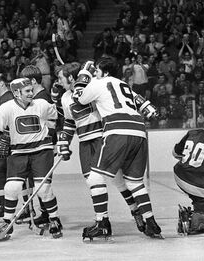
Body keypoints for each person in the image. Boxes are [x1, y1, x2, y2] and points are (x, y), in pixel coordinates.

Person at [53, 61, 154, 234]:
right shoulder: (64, 98)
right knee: (93, 182)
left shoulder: (94, 85)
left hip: (103, 136)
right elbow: (70, 123)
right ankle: (103, 220)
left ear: (71, 77)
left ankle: (133, 211)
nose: (58, 81)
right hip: (85, 142)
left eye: (61, 78)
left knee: (119, 181)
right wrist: (64, 143)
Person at [74, 57, 162, 239]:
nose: (95, 74)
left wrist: (84, 75)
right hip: (139, 131)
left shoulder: (99, 83)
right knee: (135, 183)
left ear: (104, 72)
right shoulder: (123, 85)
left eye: (97, 71)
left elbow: (79, 99)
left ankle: (102, 223)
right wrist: (148, 108)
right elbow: (145, 106)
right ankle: (151, 222)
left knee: (95, 178)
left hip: (117, 130)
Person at [0, 77, 62, 239]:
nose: (31, 93)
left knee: (43, 189)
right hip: (18, 153)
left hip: (41, 152)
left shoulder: (41, 105)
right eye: (27, 91)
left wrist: (51, 134)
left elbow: (55, 116)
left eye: (31, 90)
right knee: (11, 188)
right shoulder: (6, 108)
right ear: (16, 93)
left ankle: (55, 219)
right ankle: (7, 223)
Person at [0, 74, 33, 224]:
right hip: (4, 143)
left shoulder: (7, 99)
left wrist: (5, 141)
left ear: (1, 84)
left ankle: (27, 208)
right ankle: (5, 207)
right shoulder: (0, 99)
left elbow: (12, 123)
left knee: (20, 175)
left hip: (12, 145)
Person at [19, 65, 59, 227]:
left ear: (33, 81)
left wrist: (51, 144)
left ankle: (52, 217)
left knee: (42, 184)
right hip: (40, 146)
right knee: (39, 183)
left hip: (43, 147)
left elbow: (52, 124)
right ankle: (46, 214)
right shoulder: (38, 98)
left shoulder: (42, 99)